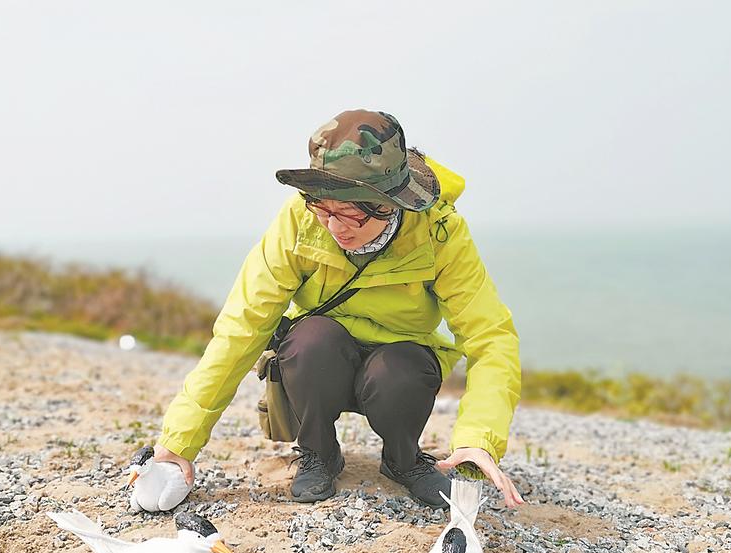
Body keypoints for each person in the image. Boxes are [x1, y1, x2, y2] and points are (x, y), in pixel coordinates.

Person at [150, 109, 524, 509]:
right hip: (319, 361)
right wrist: (179, 440)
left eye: (351, 214)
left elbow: (491, 338)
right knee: (309, 341)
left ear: (390, 203)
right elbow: (242, 327)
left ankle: (404, 460)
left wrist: (478, 439)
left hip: (399, 359)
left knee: (400, 370)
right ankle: (318, 453)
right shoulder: (299, 220)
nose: (335, 227)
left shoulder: (439, 233)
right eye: (324, 209)